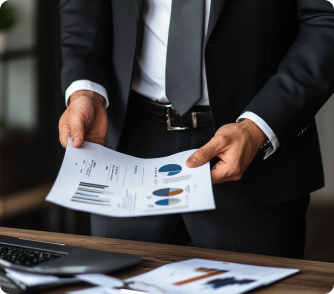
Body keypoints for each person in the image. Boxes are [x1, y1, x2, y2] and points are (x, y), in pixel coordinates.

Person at [58, 0, 334, 258]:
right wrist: (86, 89)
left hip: (253, 150)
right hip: (129, 142)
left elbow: (325, 19)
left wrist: (257, 127)